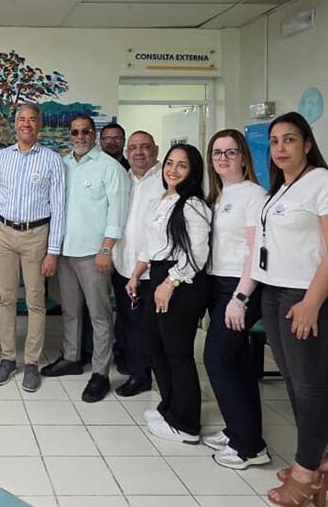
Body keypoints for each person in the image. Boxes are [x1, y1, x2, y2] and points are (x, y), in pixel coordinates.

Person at [253, 112, 328, 507]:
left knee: (311, 387)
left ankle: (305, 474)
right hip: (276, 294)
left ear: (308, 144)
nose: (280, 148)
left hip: (313, 298)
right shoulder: (281, 189)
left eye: (290, 140)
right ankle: (320, 462)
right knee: (295, 384)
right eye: (275, 141)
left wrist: (312, 303)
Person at [125, 143, 211, 444]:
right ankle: (169, 406)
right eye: (170, 163)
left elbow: (198, 253)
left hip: (182, 283)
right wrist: (137, 274)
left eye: (182, 165)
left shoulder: (193, 205)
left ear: (193, 171)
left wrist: (170, 283)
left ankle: (186, 424)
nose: (173, 170)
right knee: (152, 344)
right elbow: (151, 246)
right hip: (158, 275)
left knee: (178, 353)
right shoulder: (165, 199)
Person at [41, 114, 129, 403]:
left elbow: (117, 212)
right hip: (65, 252)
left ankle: (101, 372)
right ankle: (71, 357)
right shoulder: (63, 165)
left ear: (94, 135)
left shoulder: (109, 167)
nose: (80, 136)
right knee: (70, 310)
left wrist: (106, 249)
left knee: (99, 315)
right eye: (75, 132)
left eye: (86, 132)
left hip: (94, 255)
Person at [201, 129, 270, 469]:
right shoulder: (219, 195)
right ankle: (241, 431)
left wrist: (240, 298)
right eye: (217, 153)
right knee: (239, 363)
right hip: (219, 285)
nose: (223, 158)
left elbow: (255, 252)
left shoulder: (253, 195)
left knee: (216, 360)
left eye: (230, 152)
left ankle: (249, 447)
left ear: (244, 157)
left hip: (239, 288)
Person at [0, 102, 64, 393]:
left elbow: (59, 208)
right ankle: (8, 358)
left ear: (39, 125)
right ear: (15, 124)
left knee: (35, 301)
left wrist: (53, 250)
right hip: (4, 233)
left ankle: (31, 362)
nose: (26, 124)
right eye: (22, 119)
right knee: (5, 299)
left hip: (36, 235)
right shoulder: (1, 158)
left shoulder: (52, 160)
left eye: (32, 119)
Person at [111, 131, 162, 397]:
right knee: (127, 320)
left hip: (150, 269)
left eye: (144, 147)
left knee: (146, 324)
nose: (138, 152)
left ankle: (142, 375)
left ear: (155, 149)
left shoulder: (165, 180)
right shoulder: (123, 179)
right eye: (133, 148)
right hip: (122, 263)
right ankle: (131, 365)